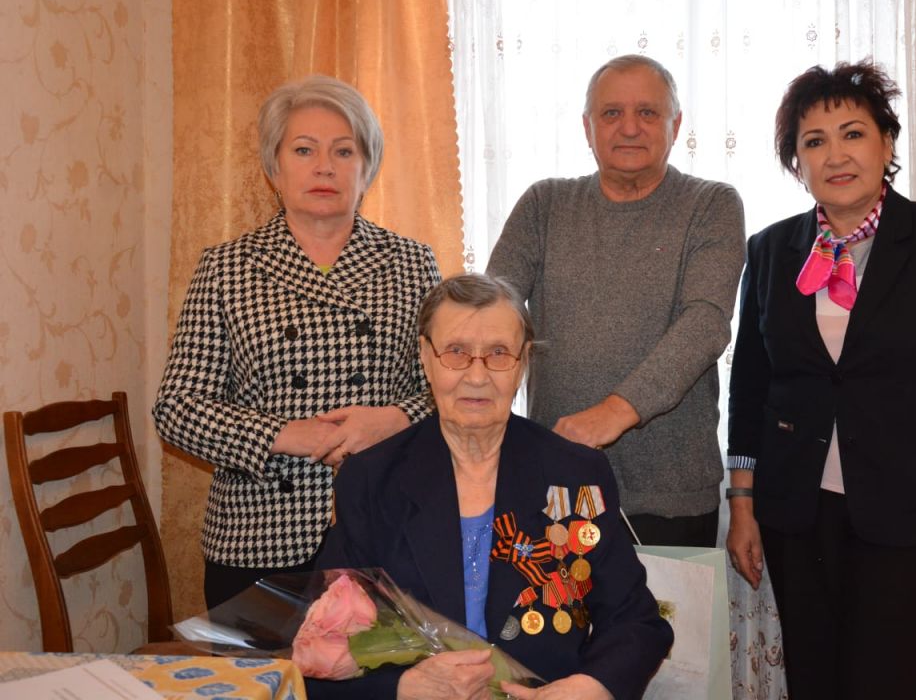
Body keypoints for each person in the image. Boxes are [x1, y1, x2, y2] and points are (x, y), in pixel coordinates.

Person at [725, 60, 916, 699]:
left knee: (883, 677)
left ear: (886, 142)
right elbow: (751, 386)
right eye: (814, 141)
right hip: (797, 511)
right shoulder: (770, 250)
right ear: (797, 162)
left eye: (853, 133)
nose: (836, 155)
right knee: (814, 678)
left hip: (908, 506)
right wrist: (742, 505)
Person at [154, 75, 440, 609]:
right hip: (257, 535)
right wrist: (287, 434)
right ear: (274, 168)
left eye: (344, 151)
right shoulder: (227, 267)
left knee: (386, 666)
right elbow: (177, 409)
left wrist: (395, 418)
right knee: (265, 667)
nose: (324, 167)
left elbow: (449, 388)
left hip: (384, 527)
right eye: (304, 150)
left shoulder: (411, 262)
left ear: (367, 168)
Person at [314, 273, 673, 700]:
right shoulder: (372, 479)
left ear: (523, 362)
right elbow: (320, 645)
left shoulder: (575, 473)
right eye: (456, 352)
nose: (477, 375)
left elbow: (635, 621)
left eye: (499, 353)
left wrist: (592, 686)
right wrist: (401, 687)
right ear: (425, 357)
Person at [487, 54, 745, 547]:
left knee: (666, 606)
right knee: (552, 603)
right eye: (611, 113)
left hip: (672, 495)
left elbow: (705, 322)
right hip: (555, 482)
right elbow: (494, 308)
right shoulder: (544, 204)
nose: (629, 128)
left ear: (676, 125)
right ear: (587, 127)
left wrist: (615, 411)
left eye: (647, 112)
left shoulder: (711, 204)